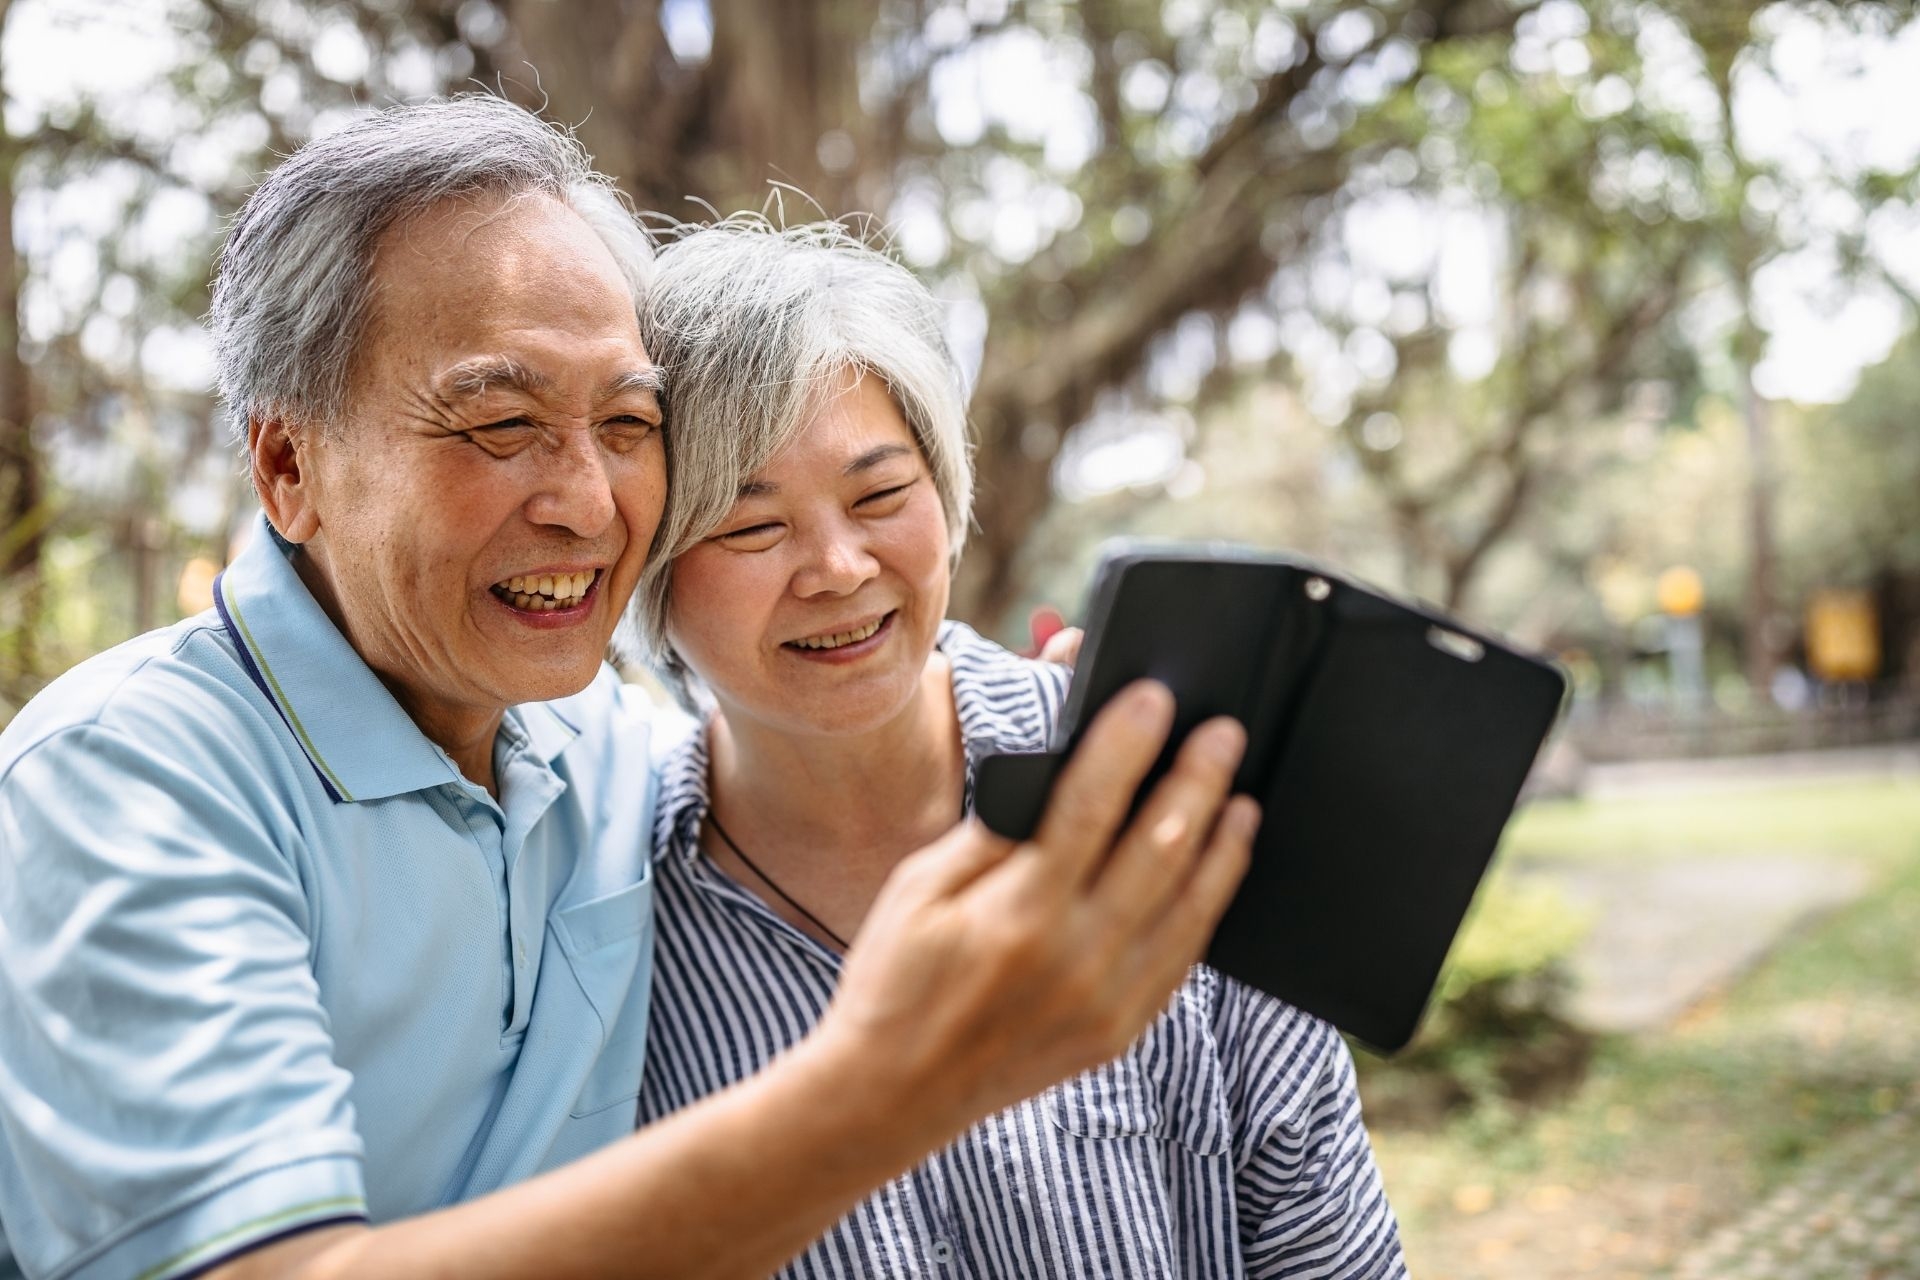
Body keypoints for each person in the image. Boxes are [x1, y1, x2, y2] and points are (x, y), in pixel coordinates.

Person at [0, 98, 1259, 1280]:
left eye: (626, 422)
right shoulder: (129, 779)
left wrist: (1043, 713)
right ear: (289, 462)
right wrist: (890, 1083)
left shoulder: (602, 748)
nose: (589, 505)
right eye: (500, 425)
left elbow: (819, 695)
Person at [630, 218, 1409, 1279]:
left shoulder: (1145, 787)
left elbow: (1328, 1243)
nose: (838, 566)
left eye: (880, 494)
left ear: (946, 498)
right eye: (750, 525)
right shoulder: (607, 919)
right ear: (649, 570)